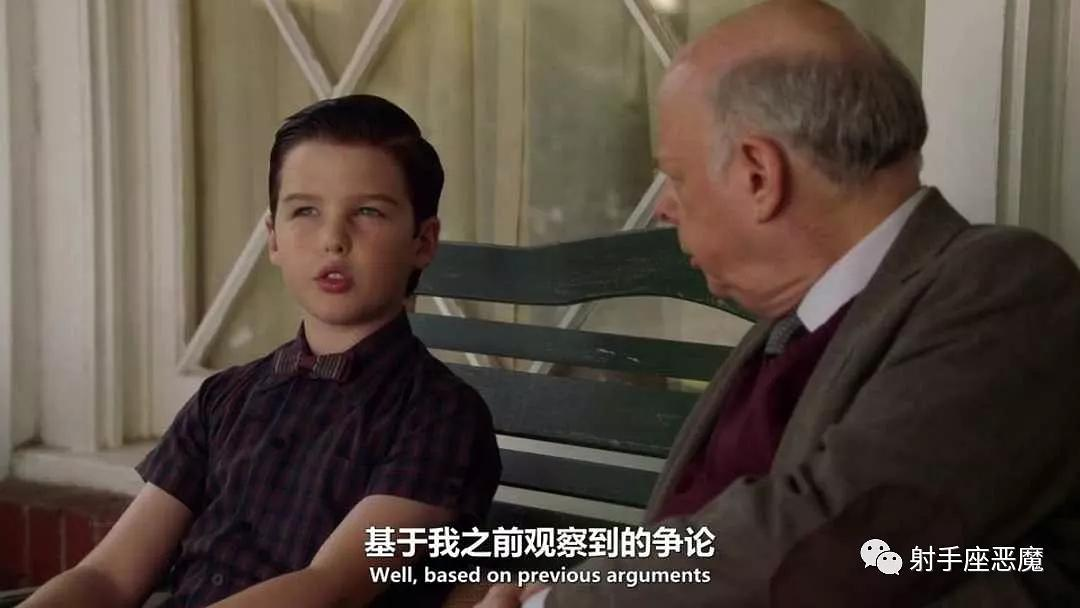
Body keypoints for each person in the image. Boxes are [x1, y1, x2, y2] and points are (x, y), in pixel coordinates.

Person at [477, 0, 1080, 606]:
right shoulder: (795, 323)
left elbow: (837, 544)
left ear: (759, 175)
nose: (664, 207)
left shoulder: (1007, 289)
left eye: (678, 177)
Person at [24, 94, 501, 608]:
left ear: (423, 241)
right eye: (305, 211)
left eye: (368, 211)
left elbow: (334, 586)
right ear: (273, 238)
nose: (333, 239)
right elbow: (108, 576)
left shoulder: (436, 413)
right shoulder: (223, 400)